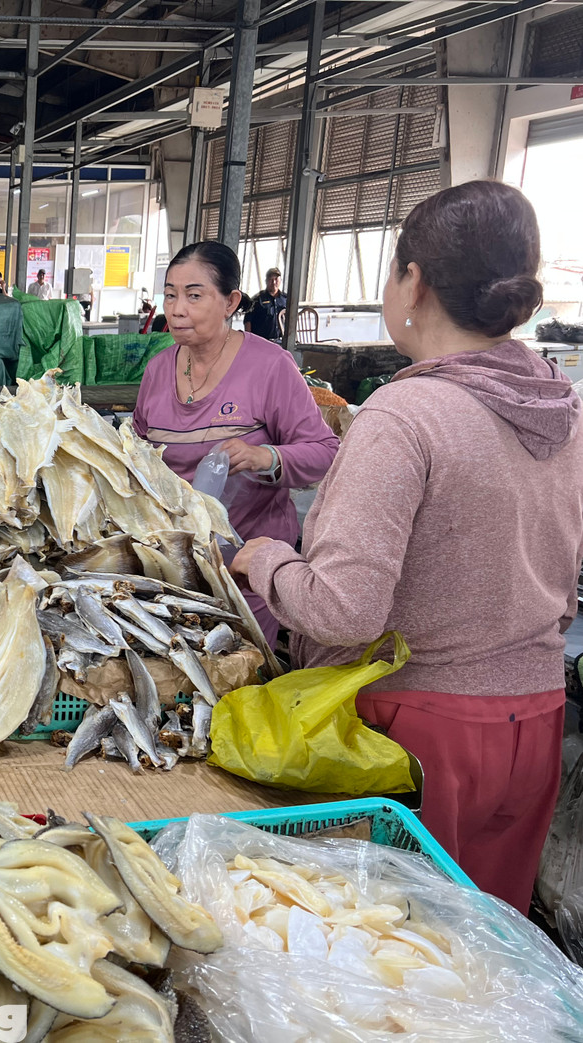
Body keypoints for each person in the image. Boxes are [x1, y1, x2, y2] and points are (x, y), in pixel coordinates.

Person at [230, 181, 583, 913]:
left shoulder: (406, 413)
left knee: (393, 949)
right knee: (483, 954)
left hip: (419, 734)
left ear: (412, 281)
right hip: (536, 720)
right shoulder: (564, 404)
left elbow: (345, 610)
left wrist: (262, 556)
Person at [132, 241, 338, 645]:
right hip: (172, 569)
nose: (176, 309)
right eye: (170, 294)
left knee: (237, 680)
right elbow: (137, 454)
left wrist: (266, 457)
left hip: (244, 571)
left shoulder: (269, 366)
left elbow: (326, 451)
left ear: (231, 301)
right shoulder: (157, 370)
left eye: (194, 295)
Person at [245, 267, 287, 341]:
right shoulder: (257, 299)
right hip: (262, 342)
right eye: (271, 279)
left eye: (276, 279)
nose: (274, 282)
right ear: (266, 281)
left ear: (280, 280)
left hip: (281, 342)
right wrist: (249, 340)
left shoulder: (286, 299)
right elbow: (248, 320)